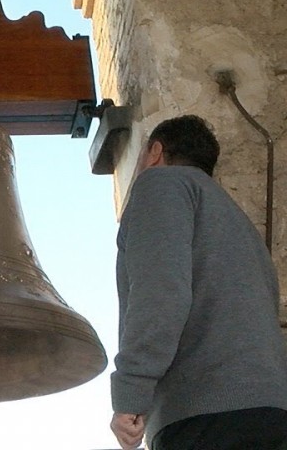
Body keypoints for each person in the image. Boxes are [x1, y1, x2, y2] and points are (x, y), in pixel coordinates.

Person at [109, 114, 287, 450]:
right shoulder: (238, 223)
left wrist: (132, 391)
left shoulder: (159, 186)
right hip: (272, 412)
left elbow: (160, 295)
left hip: (205, 416)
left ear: (155, 152)